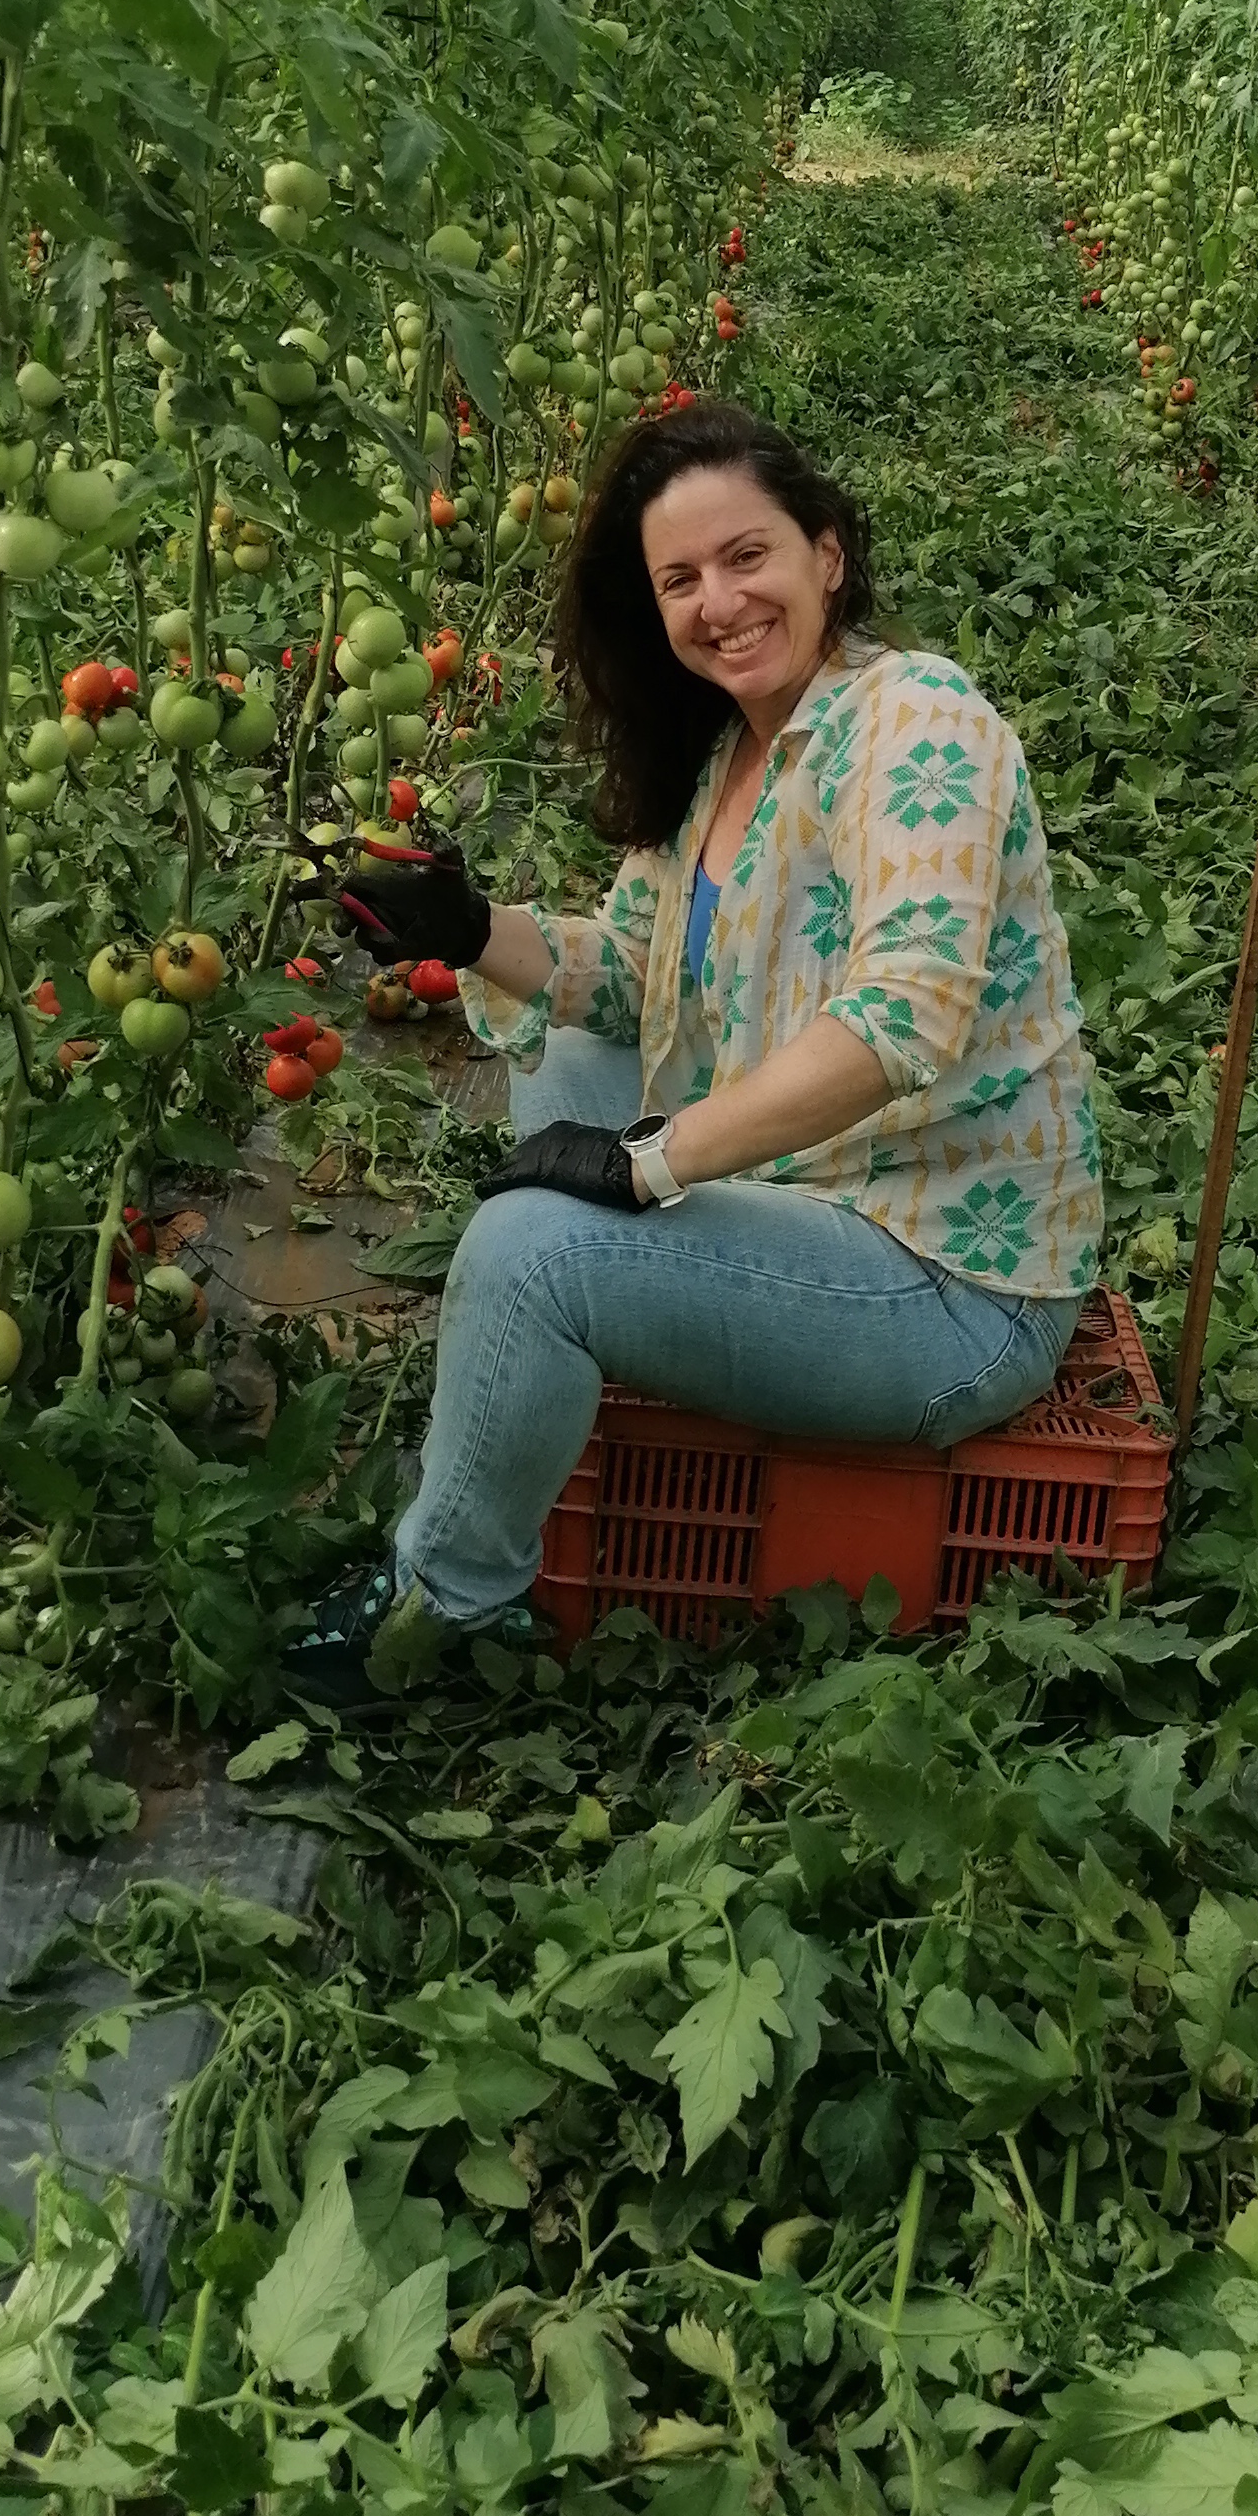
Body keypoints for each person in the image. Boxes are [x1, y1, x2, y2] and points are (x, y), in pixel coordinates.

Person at [291, 396, 1104, 1696]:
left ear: (825, 554)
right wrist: (468, 927)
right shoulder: (733, 751)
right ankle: (580, 1338)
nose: (719, 602)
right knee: (563, 1061)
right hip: (823, 1182)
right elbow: (631, 983)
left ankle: (442, 1604)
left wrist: (656, 1164)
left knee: (530, 1246)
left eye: (748, 558)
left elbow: (905, 1017)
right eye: (681, 579)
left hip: (947, 1275)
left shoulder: (918, 726)